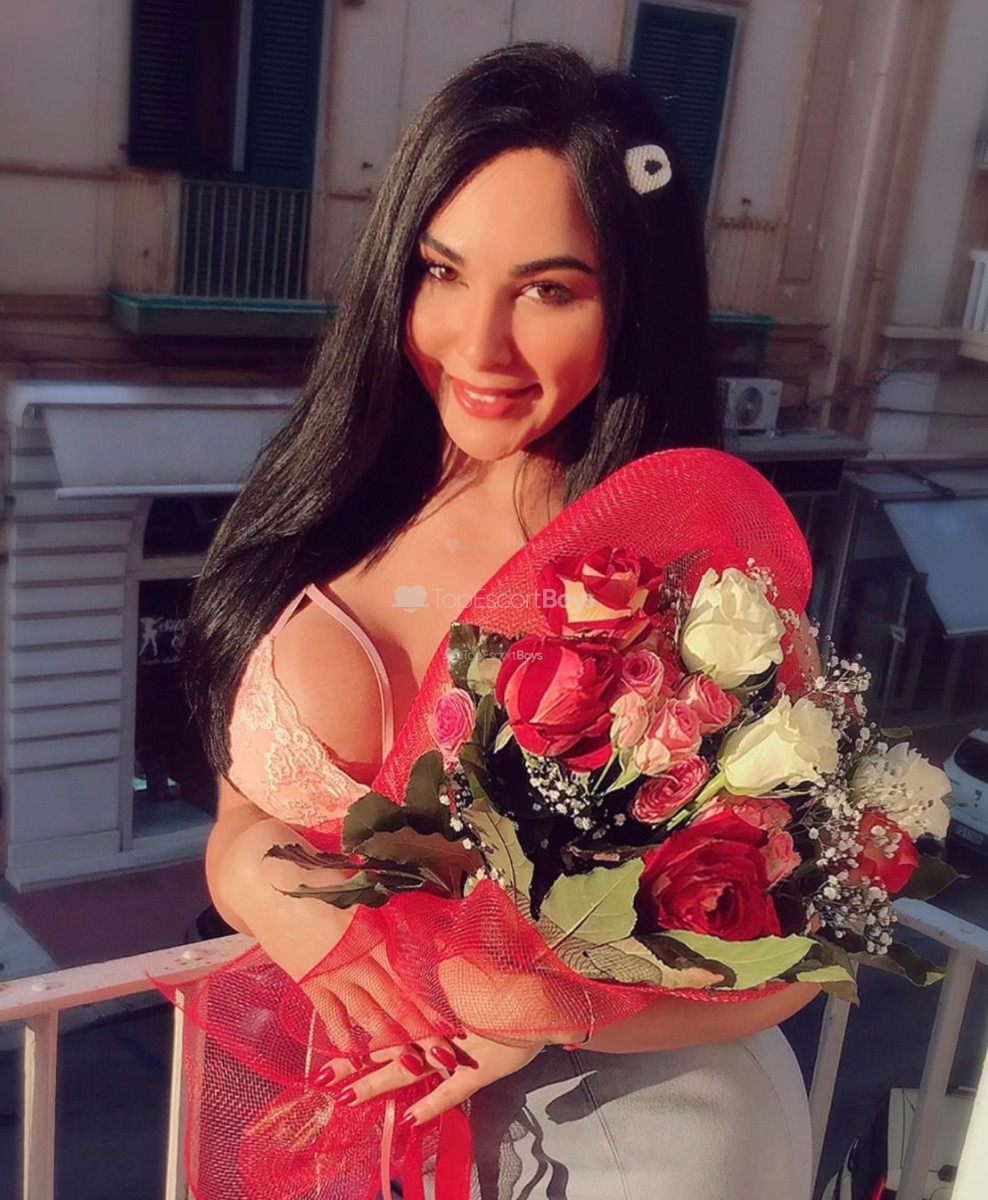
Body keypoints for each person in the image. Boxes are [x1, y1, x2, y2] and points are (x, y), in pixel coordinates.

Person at [182, 42, 819, 1200]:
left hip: (637, 1138)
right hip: (362, 1128)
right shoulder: (326, 502)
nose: (477, 346)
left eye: (548, 290)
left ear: (632, 302)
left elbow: (806, 951)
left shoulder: (689, 582)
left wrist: (551, 1003)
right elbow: (244, 820)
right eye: (442, 271)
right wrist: (263, 884)